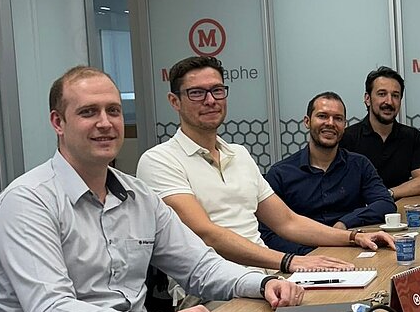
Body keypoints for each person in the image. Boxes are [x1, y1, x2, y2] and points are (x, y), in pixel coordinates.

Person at [0, 67, 303, 312]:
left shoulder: (138, 196)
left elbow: (200, 266)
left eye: (113, 111)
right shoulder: (27, 202)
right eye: (88, 112)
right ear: (58, 122)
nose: (105, 123)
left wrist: (263, 283)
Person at [136, 57, 395, 278]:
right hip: (211, 288)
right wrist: (289, 261)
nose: (210, 100)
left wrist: (354, 237)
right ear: (174, 101)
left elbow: (287, 222)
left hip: (267, 275)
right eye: (196, 93)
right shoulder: (159, 160)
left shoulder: (239, 155)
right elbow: (206, 234)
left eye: (217, 90)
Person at [261, 92, 396, 255]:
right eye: (322, 116)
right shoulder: (280, 173)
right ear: (307, 122)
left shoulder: (359, 165)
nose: (330, 123)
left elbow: (385, 203)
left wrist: (344, 223)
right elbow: (267, 233)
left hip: (352, 250)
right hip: (303, 259)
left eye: (338, 118)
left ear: (344, 125)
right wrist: (310, 255)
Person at [341, 66, 420, 200]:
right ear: (367, 99)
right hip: (360, 211)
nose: (389, 102)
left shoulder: (411, 137)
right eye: (382, 94)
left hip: (399, 209)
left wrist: (386, 195)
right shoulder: (347, 137)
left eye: (395, 95)